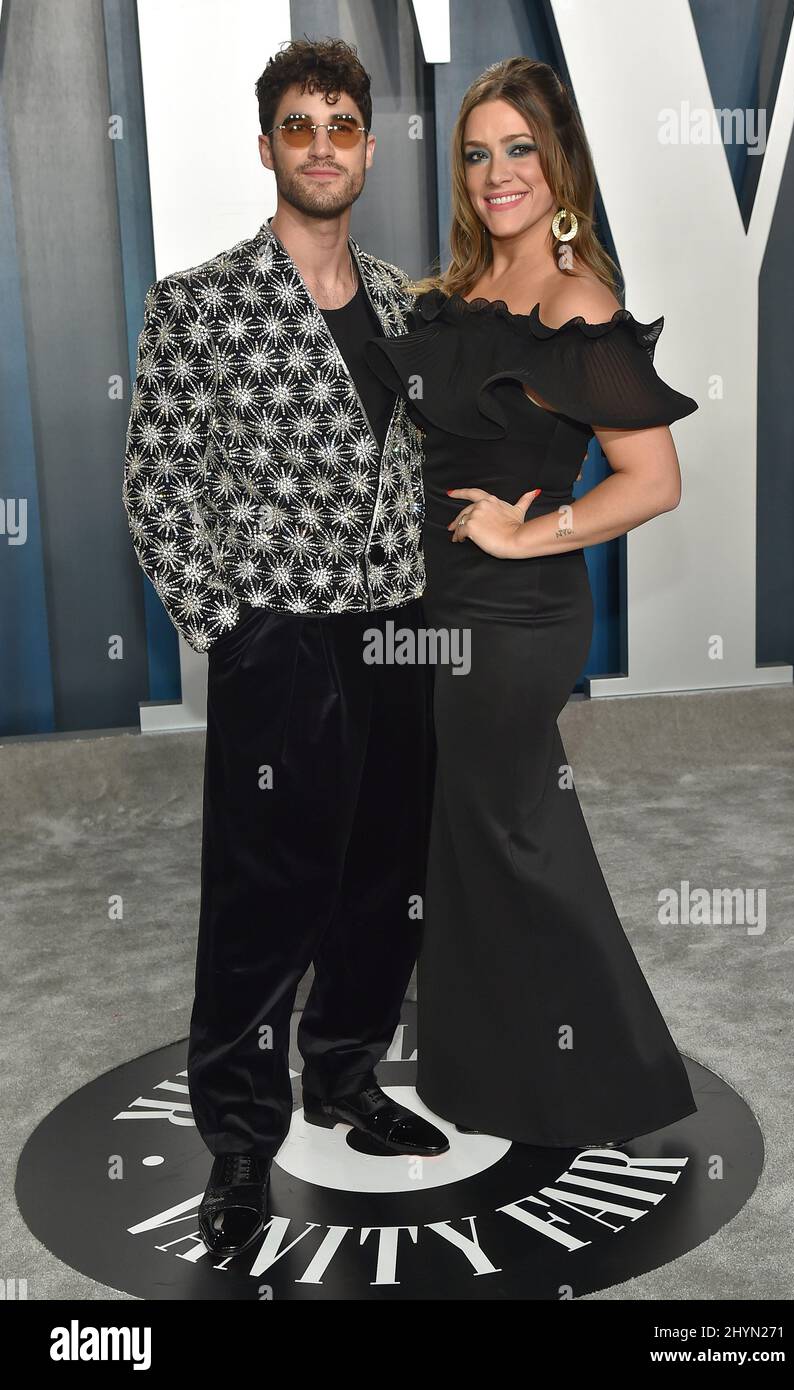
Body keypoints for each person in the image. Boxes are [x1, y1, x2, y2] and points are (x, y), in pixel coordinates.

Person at [123, 37, 447, 1261]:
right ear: (268, 148)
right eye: (299, 127)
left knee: (382, 880)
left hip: (398, 636)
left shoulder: (407, 303)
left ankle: (348, 1076)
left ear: (368, 145)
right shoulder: (200, 303)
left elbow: (428, 466)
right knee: (264, 903)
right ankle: (243, 1145)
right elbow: (157, 488)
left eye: (342, 125)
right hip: (283, 646)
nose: (322, 146)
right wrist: (232, 631)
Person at [366, 57, 700, 1147]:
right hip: (430, 602)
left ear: (560, 168)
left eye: (519, 149)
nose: (495, 172)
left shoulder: (575, 302)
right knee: (459, 830)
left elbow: (652, 479)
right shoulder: (453, 296)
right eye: (477, 153)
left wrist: (527, 529)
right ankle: (491, 1068)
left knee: (509, 830)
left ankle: (607, 1078)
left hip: (516, 619)